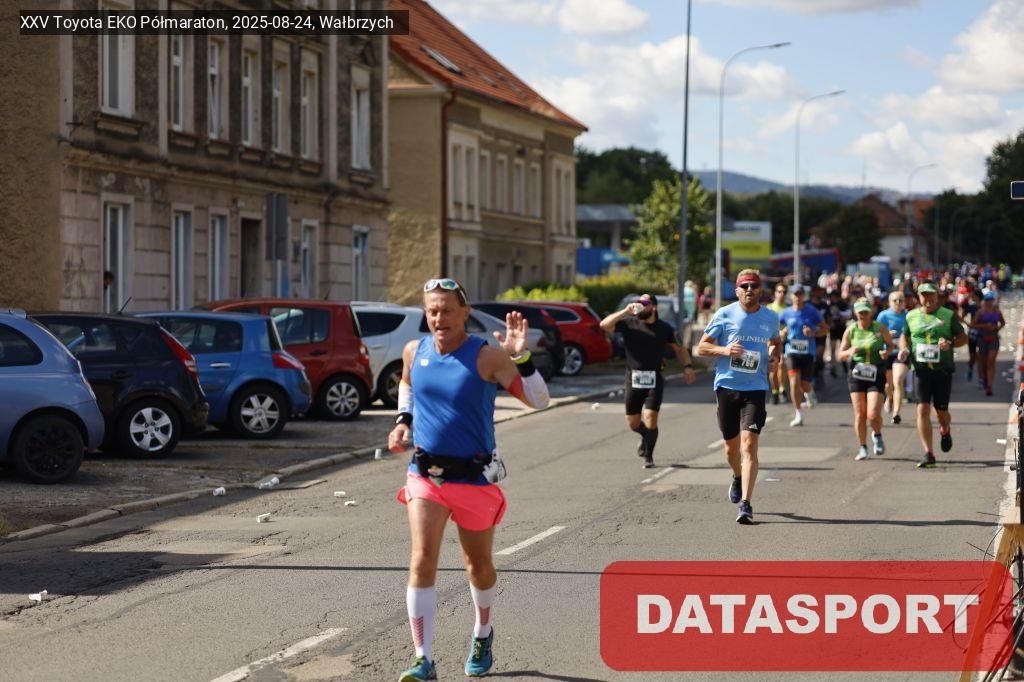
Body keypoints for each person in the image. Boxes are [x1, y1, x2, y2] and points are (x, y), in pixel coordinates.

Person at [389, 277, 550, 681]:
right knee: (422, 558)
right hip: (426, 475)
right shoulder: (415, 351)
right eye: (432, 311)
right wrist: (403, 421)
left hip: (475, 478)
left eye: (446, 310)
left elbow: (539, 400)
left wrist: (521, 356)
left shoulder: (487, 357)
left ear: (465, 313)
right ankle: (422, 658)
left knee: (477, 565)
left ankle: (482, 631)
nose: (438, 318)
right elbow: (408, 384)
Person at [697, 269, 782, 524]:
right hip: (727, 387)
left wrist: (775, 358)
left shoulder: (770, 317)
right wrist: (724, 350)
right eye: (744, 286)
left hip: (755, 388)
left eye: (753, 286)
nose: (749, 290)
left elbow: (776, 343)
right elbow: (701, 347)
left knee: (749, 445)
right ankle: (737, 475)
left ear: (760, 290)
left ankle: (745, 504)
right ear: (737, 290)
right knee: (730, 448)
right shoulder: (725, 314)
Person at [600, 294, 697, 468]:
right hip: (633, 379)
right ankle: (646, 436)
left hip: (655, 378)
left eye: (645, 303)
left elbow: (679, 348)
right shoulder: (629, 323)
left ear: (654, 307)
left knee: (651, 418)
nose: (640, 305)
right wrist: (625, 311)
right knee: (633, 422)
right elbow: (604, 325)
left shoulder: (665, 328)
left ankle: (649, 456)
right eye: (639, 302)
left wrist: (688, 366)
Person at [898, 281, 968, 469]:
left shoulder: (948, 315)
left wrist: (950, 344)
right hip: (921, 370)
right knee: (922, 410)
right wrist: (904, 349)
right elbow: (904, 336)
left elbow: (963, 338)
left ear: (937, 296)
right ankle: (929, 453)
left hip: (942, 370)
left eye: (931, 295)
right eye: (924, 295)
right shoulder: (911, 316)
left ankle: (945, 429)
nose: (927, 298)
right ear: (918, 297)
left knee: (941, 413)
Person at [839, 298, 894, 460]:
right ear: (856, 313)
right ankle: (862, 447)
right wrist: (849, 352)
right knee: (860, 414)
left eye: (865, 312)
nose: (863, 315)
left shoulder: (879, 327)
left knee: (873, 414)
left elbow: (890, 345)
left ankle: (877, 434)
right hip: (857, 374)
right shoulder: (851, 330)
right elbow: (840, 354)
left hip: (876, 373)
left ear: (871, 313)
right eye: (860, 312)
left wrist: (886, 352)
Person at [779, 285, 828, 427]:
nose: (798, 297)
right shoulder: (786, 312)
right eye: (795, 294)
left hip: (808, 352)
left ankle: (809, 392)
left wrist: (814, 333)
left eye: (800, 294)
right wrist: (781, 332)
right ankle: (798, 414)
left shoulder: (811, 311)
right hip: (791, 351)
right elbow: (774, 327)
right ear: (791, 296)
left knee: (805, 384)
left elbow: (825, 329)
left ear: (803, 296)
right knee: (794, 383)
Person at [876, 291, 908, 423]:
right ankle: (889, 397)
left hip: (901, 353)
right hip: (887, 352)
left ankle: (896, 413)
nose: (898, 303)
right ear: (889, 302)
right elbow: (875, 334)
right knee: (888, 385)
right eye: (895, 300)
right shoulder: (883, 316)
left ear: (904, 302)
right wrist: (887, 334)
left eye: (901, 300)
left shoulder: (908, 316)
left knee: (898, 379)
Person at [970, 290, 1005, 396]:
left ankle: (989, 385)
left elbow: (1003, 322)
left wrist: (997, 328)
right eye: (987, 300)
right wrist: (985, 326)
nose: (989, 302)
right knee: (984, 362)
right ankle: (984, 379)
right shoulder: (981, 312)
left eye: (990, 300)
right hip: (982, 338)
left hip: (994, 338)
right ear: (984, 301)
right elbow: (972, 325)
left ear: (993, 301)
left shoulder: (997, 311)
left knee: (991, 361)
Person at [766, 283, 789, 405]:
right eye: (779, 291)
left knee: (782, 363)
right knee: (772, 367)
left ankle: (782, 390)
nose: (782, 294)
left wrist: (786, 330)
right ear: (775, 293)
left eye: (784, 292)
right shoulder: (769, 308)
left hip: (784, 341)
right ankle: (774, 392)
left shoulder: (788, 309)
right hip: (771, 341)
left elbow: (792, 323)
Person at [826, 289, 852, 377]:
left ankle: (844, 363)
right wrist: (830, 323)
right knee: (833, 349)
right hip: (833, 329)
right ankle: (833, 367)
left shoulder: (843, 304)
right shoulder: (829, 305)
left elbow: (848, 315)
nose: (833, 299)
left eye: (834, 297)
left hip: (841, 328)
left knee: (843, 347)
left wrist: (841, 315)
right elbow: (827, 316)